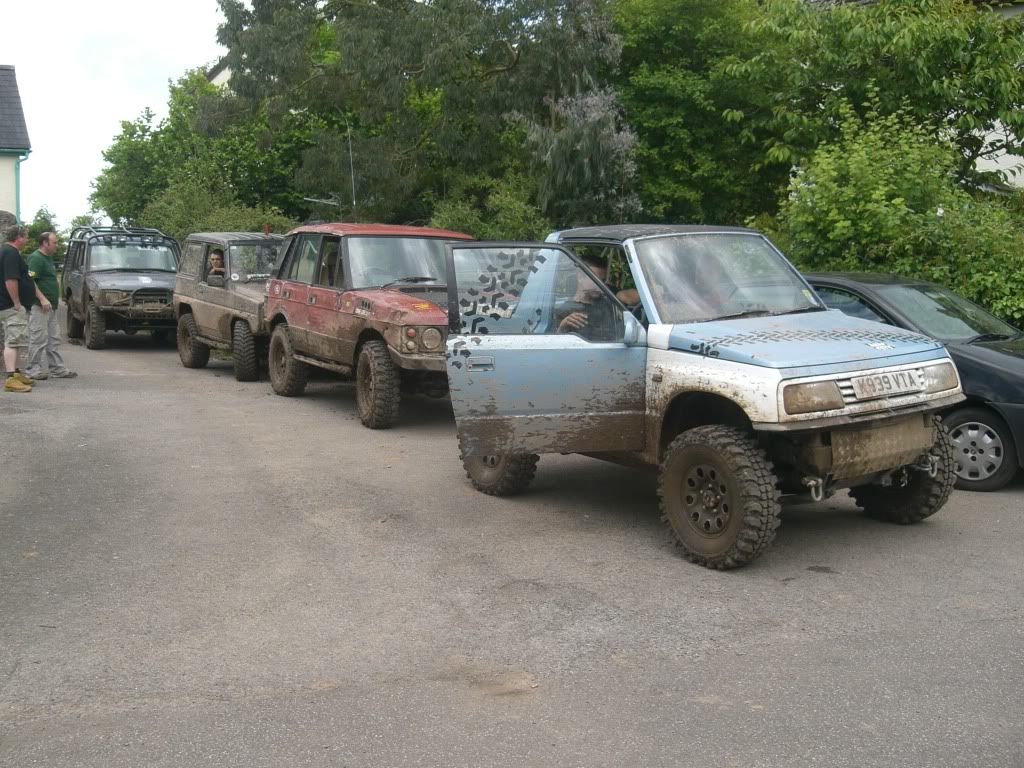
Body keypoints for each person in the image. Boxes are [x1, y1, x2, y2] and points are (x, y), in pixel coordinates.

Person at [1, 225, 50, 393]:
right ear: (19, 237)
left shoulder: (11, 253)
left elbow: (25, 279)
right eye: (26, 237)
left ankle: (15, 373)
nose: (27, 240)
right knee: (13, 341)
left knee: (15, 338)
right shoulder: (10, 253)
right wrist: (16, 303)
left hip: (10, 305)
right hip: (10, 305)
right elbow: (11, 280)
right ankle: (10, 378)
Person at [26, 232, 76, 381]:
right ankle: (33, 369)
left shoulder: (48, 258)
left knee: (53, 338)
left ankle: (57, 369)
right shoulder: (36, 258)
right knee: (38, 338)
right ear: (45, 243)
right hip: (39, 306)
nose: (57, 245)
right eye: (54, 242)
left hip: (50, 307)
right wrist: (42, 299)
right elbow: (30, 281)